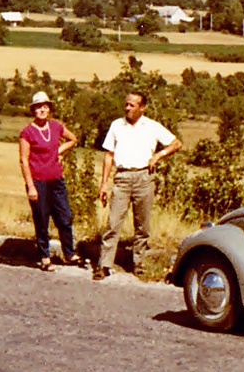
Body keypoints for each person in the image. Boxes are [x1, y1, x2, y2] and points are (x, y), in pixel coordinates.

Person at [95, 91, 181, 280]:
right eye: (126, 104)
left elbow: (176, 143)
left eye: (132, 105)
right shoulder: (117, 126)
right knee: (113, 222)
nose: (127, 108)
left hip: (144, 177)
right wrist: (103, 184)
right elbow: (108, 155)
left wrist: (159, 155)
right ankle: (104, 264)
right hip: (122, 178)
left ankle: (138, 262)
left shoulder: (151, 126)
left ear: (142, 107)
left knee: (142, 225)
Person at [19, 90, 81, 271]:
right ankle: (44, 256)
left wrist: (58, 152)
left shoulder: (56, 126)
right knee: (42, 219)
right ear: (33, 110)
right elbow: (24, 160)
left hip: (56, 180)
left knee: (65, 217)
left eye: (44, 106)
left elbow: (73, 139)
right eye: (38, 107)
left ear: (49, 109)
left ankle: (69, 254)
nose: (42, 110)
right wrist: (30, 186)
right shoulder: (27, 132)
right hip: (38, 181)